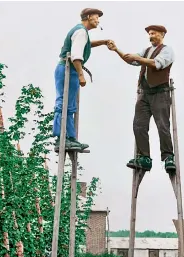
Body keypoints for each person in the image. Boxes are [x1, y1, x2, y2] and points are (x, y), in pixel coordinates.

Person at [107, 26, 175, 173]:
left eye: (154, 33)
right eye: (150, 34)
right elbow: (131, 60)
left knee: (162, 125)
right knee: (139, 125)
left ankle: (168, 157)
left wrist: (137, 58)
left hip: (160, 92)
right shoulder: (146, 51)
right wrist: (117, 50)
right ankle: (145, 158)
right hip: (144, 93)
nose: (151, 36)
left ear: (162, 34)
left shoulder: (167, 50)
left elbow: (156, 64)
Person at [53, 8, 113, 153]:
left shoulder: (82, 32)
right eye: (96, 17)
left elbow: (85, 44)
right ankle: (61, 136)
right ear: (87, 17)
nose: (98, 20)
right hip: (69, 69)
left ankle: (70, 137)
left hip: (69, 69)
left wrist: (103, 42)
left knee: (70, 104)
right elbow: (76, 55)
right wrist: (81, 74)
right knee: (64, 102)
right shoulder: (81, 31)